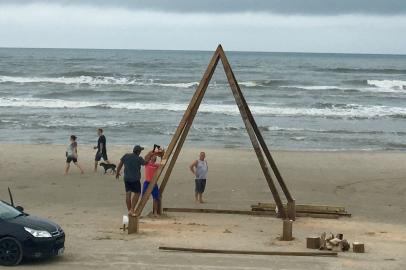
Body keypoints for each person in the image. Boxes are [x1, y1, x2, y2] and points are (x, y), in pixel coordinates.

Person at [115, 145, 155, 216]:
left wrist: (117, 173)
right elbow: (146, 163)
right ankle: (132, 209)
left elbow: (120, 165)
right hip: (135, 179)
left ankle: (129, 210)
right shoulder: (139, 158)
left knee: (128, 193)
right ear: (139, 152)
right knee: (137, 193)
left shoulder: (126, 156)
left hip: (126, 178)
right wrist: (150, 155)